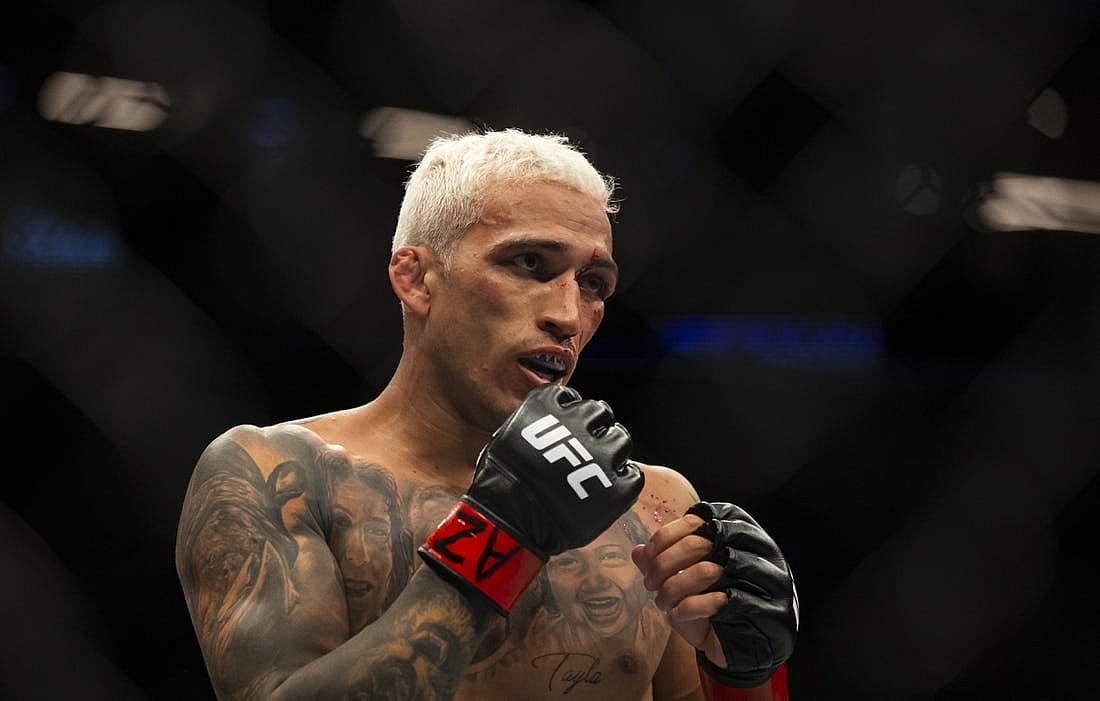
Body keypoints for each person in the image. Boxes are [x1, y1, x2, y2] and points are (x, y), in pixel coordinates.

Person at [175, 128, 798, 700]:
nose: (568, 315)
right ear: (416, 278)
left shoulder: (654, 507)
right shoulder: (278, 475)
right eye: (530, 264)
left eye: (594, 284)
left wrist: (745, 674)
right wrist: (500, 534)